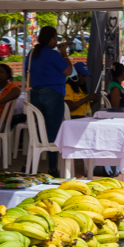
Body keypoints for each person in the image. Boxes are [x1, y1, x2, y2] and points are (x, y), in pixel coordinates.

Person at [24, 26, 73, 177]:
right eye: (56, 37)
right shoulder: (53, 55)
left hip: (35, 94)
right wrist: (64, 54)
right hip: (53, 93)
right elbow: (69, 71)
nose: (57, 40)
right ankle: (52, 167)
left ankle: (29, 163)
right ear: (51, 38)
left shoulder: (32, 53)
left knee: (36, 130)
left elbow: (28, 74)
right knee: (53, 131)